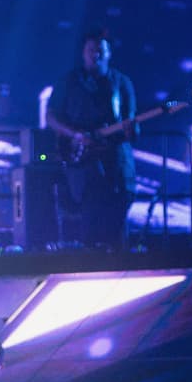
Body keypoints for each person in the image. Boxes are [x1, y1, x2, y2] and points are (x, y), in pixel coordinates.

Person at [43, 27, 138, 248]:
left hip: (116, 159)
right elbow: (51, 117)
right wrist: (75, 134)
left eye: (100, 50)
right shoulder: (69, 82)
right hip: (84, 161)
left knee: (120, 206)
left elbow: (131, 123)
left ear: (109, 53)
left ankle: (116, 255)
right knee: (91, 212)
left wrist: (129, 129)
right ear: (83, 53)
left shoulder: (122, 83)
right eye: (91, 50)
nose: (96, 55)